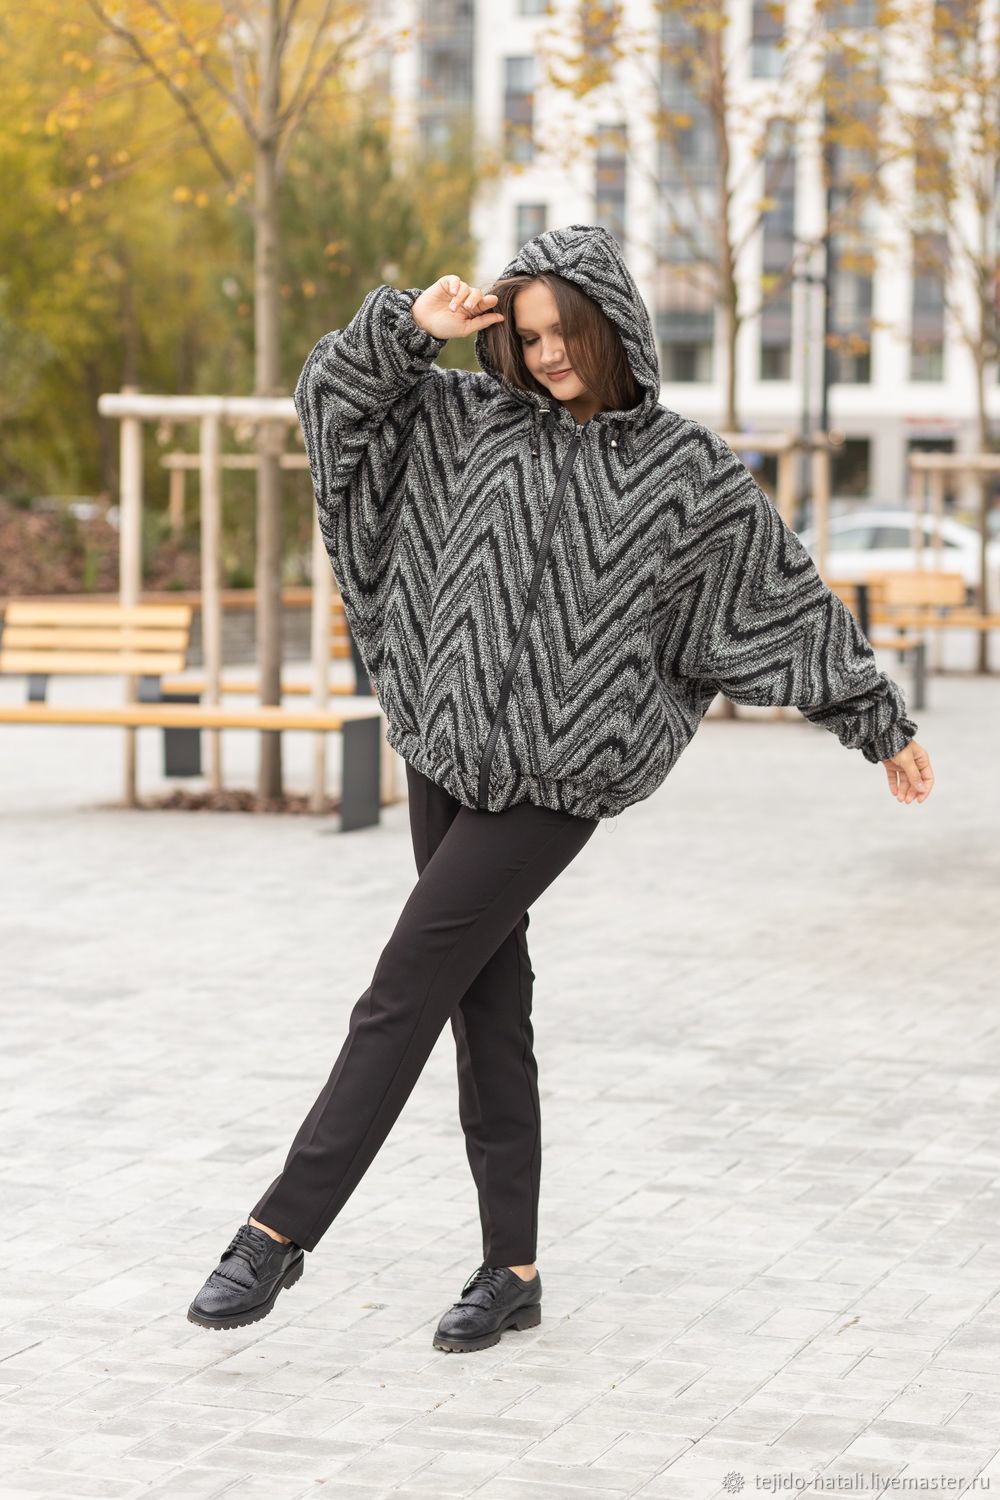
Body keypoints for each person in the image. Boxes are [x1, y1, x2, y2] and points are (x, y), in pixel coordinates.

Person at [187, 223, 934, 1353]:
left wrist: (874, 720)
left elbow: (778, 597)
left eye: (561, 333)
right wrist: (408, 330)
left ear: (611, 324)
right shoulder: (465, 419)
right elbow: (329, 407)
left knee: (403, 986)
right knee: (486, 1006)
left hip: (558, 778)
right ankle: (513, 1271)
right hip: (443, 747)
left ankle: (277, 1232)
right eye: (528, 336)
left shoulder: (685, 473)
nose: (544, 356)